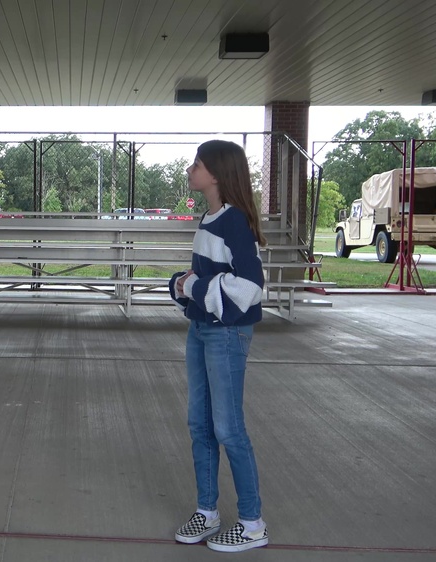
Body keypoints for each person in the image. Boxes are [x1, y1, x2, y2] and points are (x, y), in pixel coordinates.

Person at [168, 140, 268, 552]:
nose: (191, 169)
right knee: (200, 424)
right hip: (201, 329)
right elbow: (202, 277)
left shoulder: (235, 222)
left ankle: (252, 524)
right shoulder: (209, 218)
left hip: (226, 334)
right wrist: (182, 284)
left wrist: (193, 285)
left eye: (197, 163)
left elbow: (250, 288)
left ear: (216, 173)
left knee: (228, 428)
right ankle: (207, 512)